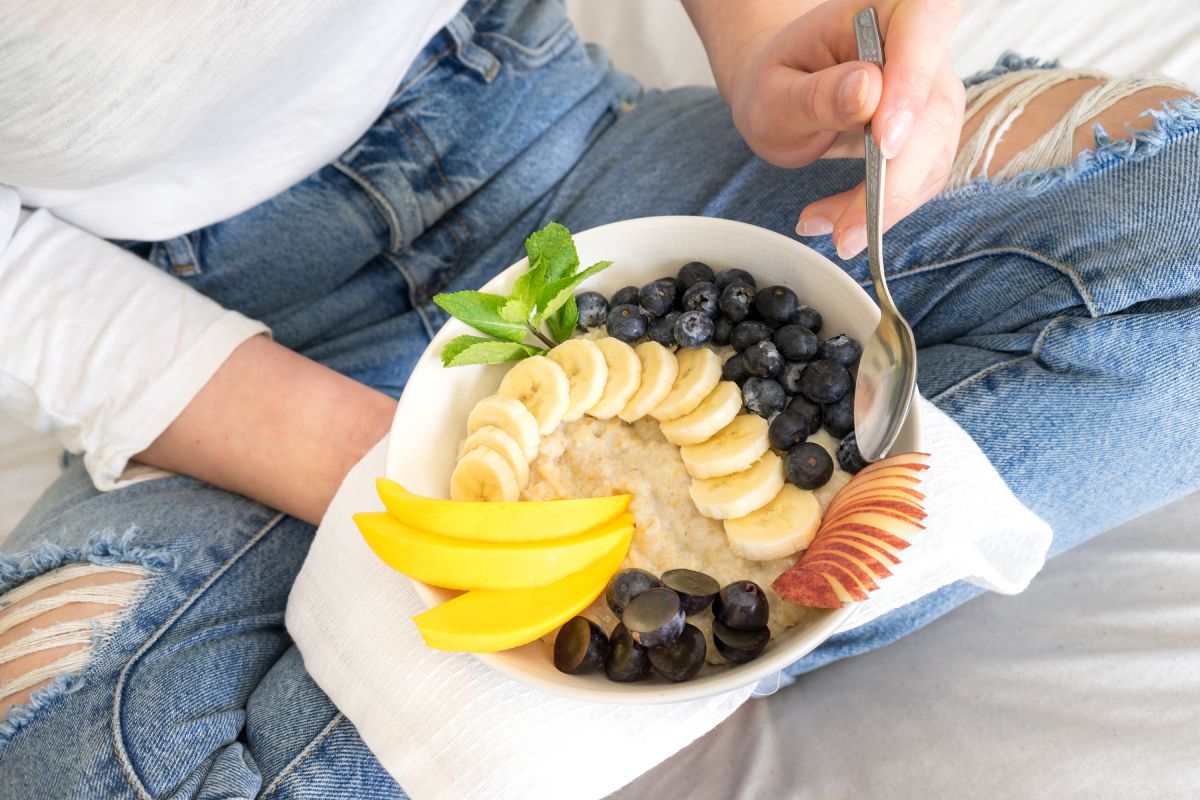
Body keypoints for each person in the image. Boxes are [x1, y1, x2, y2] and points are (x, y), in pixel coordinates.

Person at [0, 0, 1196, 795]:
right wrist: (408, 478)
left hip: (549, 139)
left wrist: (761, 32)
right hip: (208, 341)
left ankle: (583, 718)